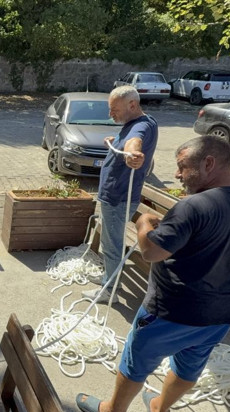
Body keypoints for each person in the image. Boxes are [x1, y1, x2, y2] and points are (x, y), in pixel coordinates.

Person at [76, 136, 230, 412]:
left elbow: (151, 251)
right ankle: (159, 411)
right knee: (189, 367)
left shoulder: (194, 207)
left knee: (136, 363)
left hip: (170, 312)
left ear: (208, 163)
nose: (177, 175)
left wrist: (143, 223)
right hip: (221, 314)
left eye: (182, 167)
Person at [83, 86, 158, 304]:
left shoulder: (141, 127)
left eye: (114, 109)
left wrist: (132, 153)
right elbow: (128, 138)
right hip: (116, 197)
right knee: (110, 241)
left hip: (118, 199)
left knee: (111, 245)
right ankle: (108, 278)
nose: (110, 114)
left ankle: (110, 291)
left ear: (132, 105)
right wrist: (115, 141)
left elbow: (135, 141)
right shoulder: (137, 122)